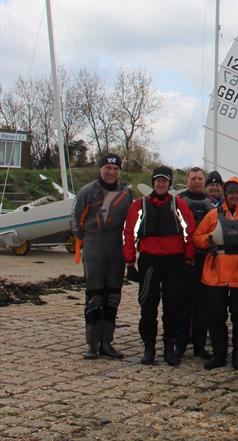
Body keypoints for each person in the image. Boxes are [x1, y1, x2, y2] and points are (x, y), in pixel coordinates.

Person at [193, 176, 238, 370]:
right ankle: (219, 355)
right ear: (226, 195)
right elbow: (197, 237)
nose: (234, 196)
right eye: (231, 193)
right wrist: (210, 239)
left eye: (237, 193)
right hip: (215, 274)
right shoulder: (213, 215)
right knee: (215, 316)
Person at [123, 166, 195, 366]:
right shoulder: (140, 205)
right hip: (150, 262)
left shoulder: (179, 205)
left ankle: (169, 348)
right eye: (157, 181)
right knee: (148, 306)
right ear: (153, 183)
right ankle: (149, 348)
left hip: (174, 263)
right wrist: (130, 261)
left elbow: (189, 232)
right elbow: (129, 233)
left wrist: (189, 258)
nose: (161, 184)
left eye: (164, 181)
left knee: (172, 308)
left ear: (169, 184)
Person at [70, 153, 133, 359]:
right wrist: (87, 240)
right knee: (95, 296)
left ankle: (107, 342)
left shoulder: (126, 193)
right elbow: (76, 220)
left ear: (119, 171)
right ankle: (91, 343)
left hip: (117, 246)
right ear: (101, 169)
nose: (111, 172)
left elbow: (132, 222)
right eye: (108, 167)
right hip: (94, 244)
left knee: (113, 296)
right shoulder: (88, 191)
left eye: (115, 169)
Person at [176, 166, 215, 359]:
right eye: (193, 178)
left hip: (204, 259)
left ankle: (199, 346)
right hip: (184, 260)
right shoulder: (180, 200)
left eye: (200, 179)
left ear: (204, 182)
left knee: (202, 306)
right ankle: (180, 344)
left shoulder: (210, 205)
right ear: (187, 179)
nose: (197, 181)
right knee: (184, 305)